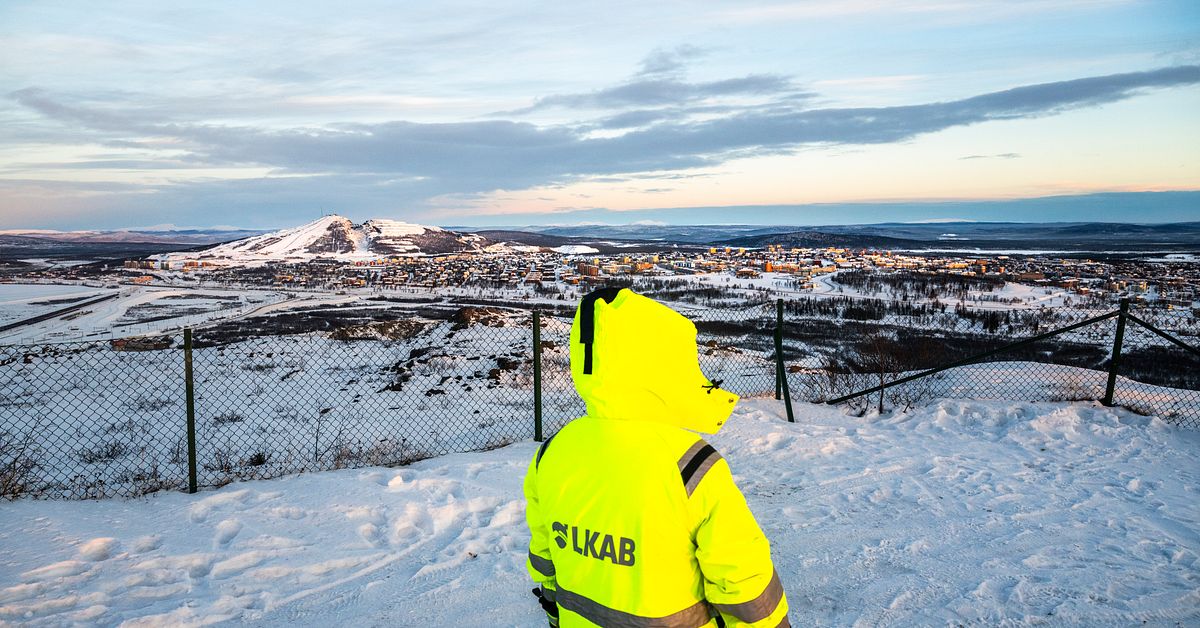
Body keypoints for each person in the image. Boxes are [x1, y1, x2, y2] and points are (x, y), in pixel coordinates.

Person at [524, 287, 789, 627]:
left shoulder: (553, 452)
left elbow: (545, 554)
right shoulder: (691, 463)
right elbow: (742, 578)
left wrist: (554, 613)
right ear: (666, 367)